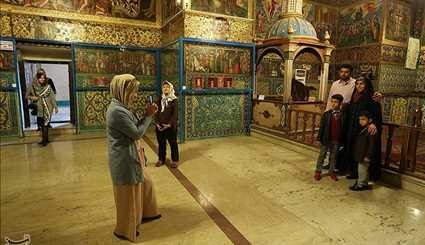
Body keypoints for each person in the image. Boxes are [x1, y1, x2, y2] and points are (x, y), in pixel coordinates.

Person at [106, 74, 161, 242]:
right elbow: (137, 133)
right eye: (133, 91)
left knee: (146, 184)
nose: (135, 95)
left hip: (133, 156)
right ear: (122, 90)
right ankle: (124, 229)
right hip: (125, 159)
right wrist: (149, 116)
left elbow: (135, 125)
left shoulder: (123, 107)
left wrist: (144, 114)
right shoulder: (116, 111)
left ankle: (146, 213)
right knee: (128, 196)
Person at [343, 74, 382, 180]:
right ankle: (353, 171)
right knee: (352, 149)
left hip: (363, 130)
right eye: (357, 84)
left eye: (362, 84)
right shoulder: (354, 96)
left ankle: (362, 176)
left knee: (361, 151)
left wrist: (374, 123)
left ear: (366, 85)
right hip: (353, 128)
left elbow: (376, 113)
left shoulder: (372, 97)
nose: (359, 86)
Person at [314, 94, 344, 181]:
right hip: (326, 138)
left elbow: (344, 127)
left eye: (336, 102)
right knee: (322, 155)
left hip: (336, 139)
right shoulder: (326, 114)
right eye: (332, 101)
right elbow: (322, 127)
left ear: (340, 103)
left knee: (333, 156)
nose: (333, 104)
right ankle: (318, 171)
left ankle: (332, 171)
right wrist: (319, 138)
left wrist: (342, 140)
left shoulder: (343, 115)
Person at [26, 71, 58, 146]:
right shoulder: (33, 86)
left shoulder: (48, 87)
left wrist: (56, 107)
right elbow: (26, 96)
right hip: (39, 108)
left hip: (48, 108)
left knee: (45, 124)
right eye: (40, 78)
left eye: (43, 78)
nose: (42, 79)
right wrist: (32, 97)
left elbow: (52, 97)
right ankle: (45, 139)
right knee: (42, 124)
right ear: (37, 78)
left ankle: (44, 141)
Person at [349, 111, 377, 191]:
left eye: (363, 119)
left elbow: (371, 145)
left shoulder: (371, 130)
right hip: (361, 154)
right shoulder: (364, 128)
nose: (361, 121)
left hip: (365, 155)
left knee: (362, 170)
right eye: (360, 119)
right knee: (364, 170)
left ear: (370, 120)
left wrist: (368, 156)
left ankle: (360, 185)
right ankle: (364, 183)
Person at [155, 81, 179, 168]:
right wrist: (157, 123)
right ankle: (161, 159)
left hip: (170, 127)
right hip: (160, 126)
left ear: (171, 89)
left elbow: (175, 114)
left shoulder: (174, 100)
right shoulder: (159, 99)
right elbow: (156, 112)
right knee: (161, 143)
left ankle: (175, 160)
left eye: (167, 87)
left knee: (173, 143)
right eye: (164, 87)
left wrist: (169, 124)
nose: (165, 88)